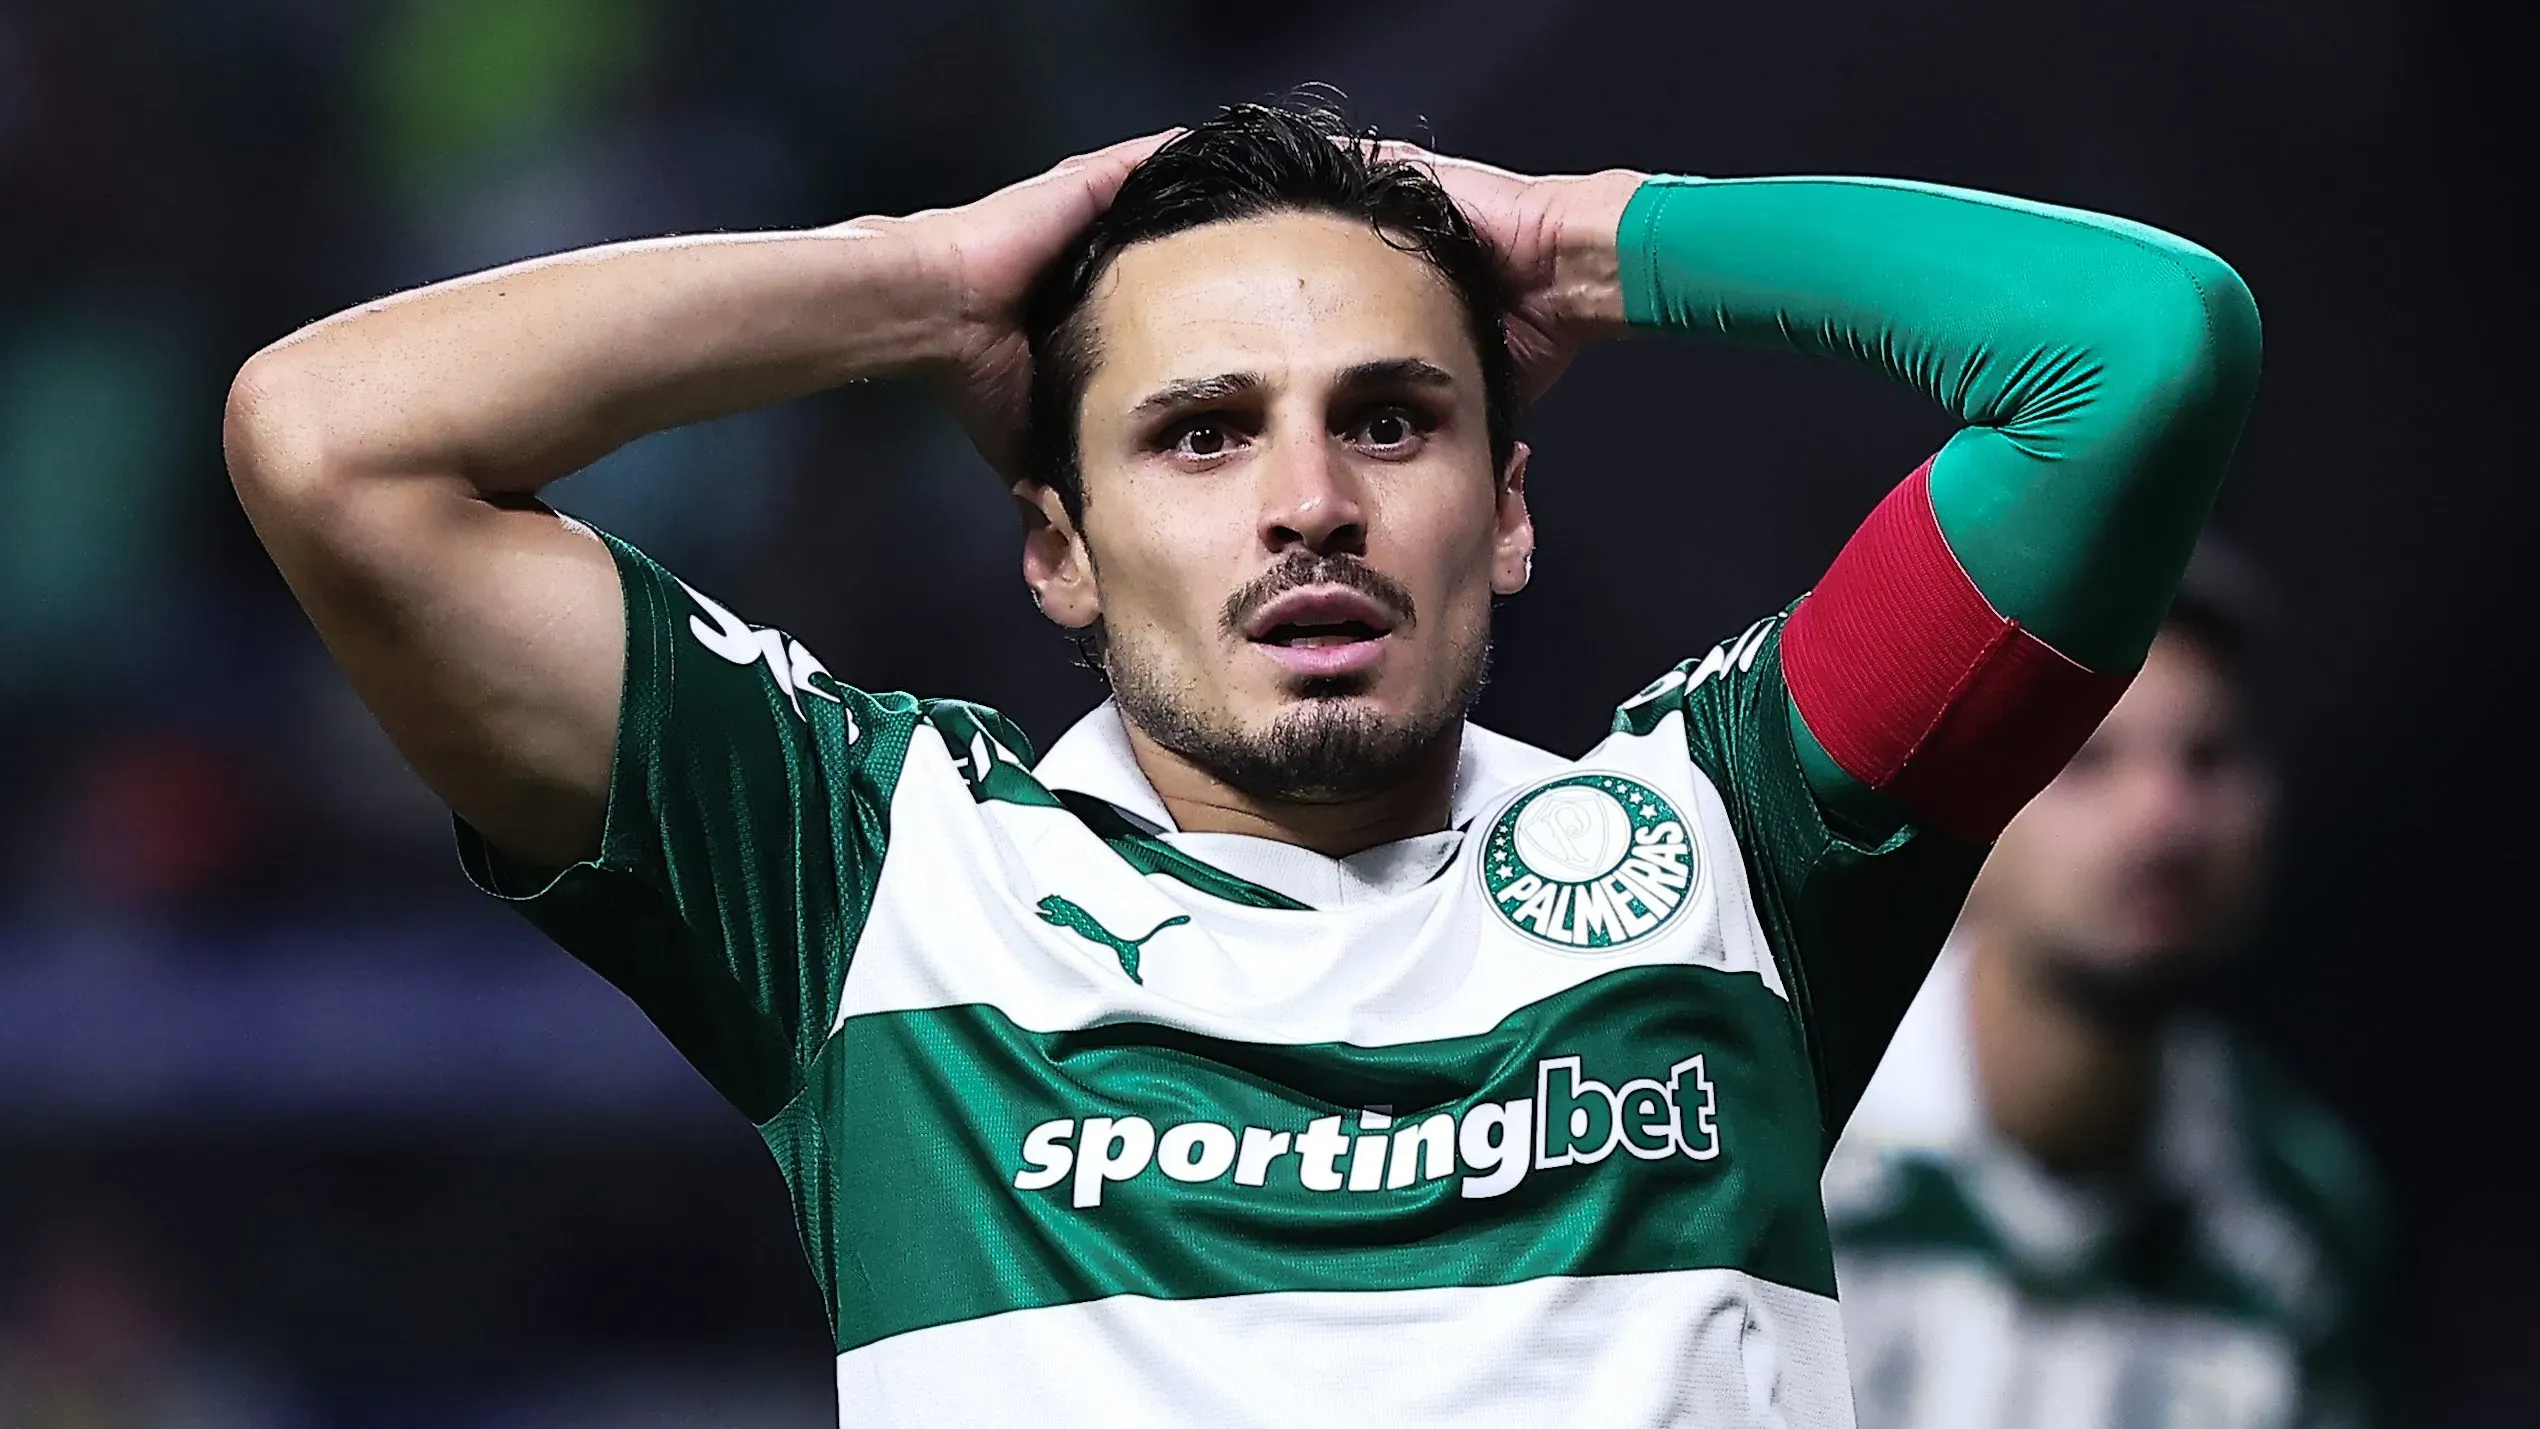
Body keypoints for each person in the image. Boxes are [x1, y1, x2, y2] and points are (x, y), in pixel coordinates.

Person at [223, 96, 2259, 1427]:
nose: (1307, 500)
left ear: (1511, 508)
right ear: (1053, 542)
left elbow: (2134, 349)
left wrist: (1576, 237)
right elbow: (339, 444)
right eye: (1197, 431)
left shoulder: (1737, 842)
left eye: (1390, 419)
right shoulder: (867, 868)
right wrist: (927, 282)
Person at [1825, 555, 2386, 1429]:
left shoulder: (2302, 1219)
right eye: (2087, 759)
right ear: (1954, 805)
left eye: (2208, 757)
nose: (2164, 814)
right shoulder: (1784, 1142)